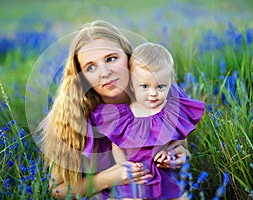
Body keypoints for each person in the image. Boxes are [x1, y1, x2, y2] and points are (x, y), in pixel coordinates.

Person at [38, 20, 191, 199]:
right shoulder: (71, 116)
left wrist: (180, 156)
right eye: (91, 67)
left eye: (111, 58)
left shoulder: (159, 93)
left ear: (128, 56)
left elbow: (181, 145)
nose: (104, 73)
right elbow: (58, 189)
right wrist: (109, 178)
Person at [91, 42, 205, 199]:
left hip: (163, 177)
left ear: (171, 81)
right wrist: (122, 165)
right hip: (133, 177)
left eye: (160, 87)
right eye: (144, 86)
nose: (153, 93)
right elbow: (116, 144)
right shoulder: (124, 116)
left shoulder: (171, 112)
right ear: (131, 84)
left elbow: (179, 141)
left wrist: (170, 153)